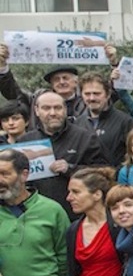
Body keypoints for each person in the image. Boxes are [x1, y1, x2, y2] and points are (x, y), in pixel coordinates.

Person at [20, 91, 105, 219]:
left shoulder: (85, 137)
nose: (53, 113)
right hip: (36, 216)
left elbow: (103, 172)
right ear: (37, 111)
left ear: (65, 110)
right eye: (46, 108)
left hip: (76, 216)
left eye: (58, 107)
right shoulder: (24, 142)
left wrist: (70, 169)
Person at [77, 71, 133, 167]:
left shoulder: (125, 122)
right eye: (87, 94)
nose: (92, 98)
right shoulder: (77, 124)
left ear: (108, 94)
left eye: (96, 93)